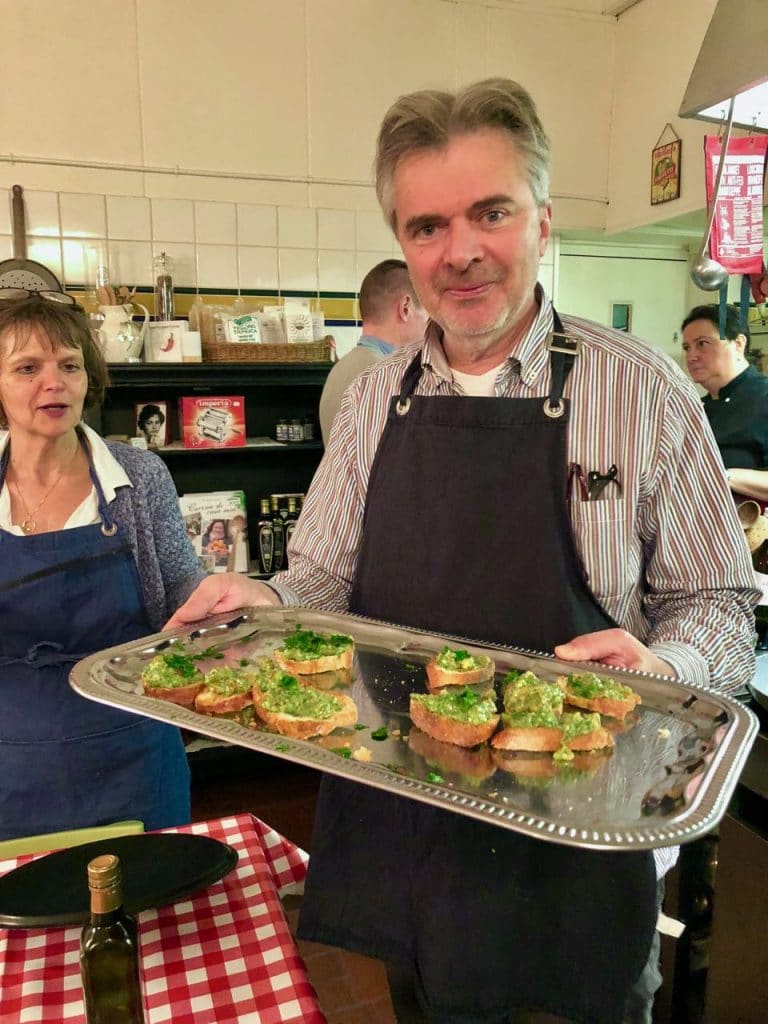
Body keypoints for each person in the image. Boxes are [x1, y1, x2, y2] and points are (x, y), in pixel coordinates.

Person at [167, 79, 758, 1023]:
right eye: (429, 225)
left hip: (583, 827)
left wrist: (664, 665)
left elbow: (722, 604)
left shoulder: (643, 390)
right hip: (412, 829)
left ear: (543, 218)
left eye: (492, 212)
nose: (463, 251)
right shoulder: (372, 401)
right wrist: (258, 595)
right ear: (404, 244)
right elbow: (320, 579)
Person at [0, 293, 207, 840]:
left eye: (70, 365)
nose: (55, 381)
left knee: (150, 913)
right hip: (12, 768)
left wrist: (213, 601)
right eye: (27, 368)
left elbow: (181, 583)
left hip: (133, 752)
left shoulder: (139, 477)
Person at [319, 259, 428, 444]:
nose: (428, 328)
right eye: (427, 315)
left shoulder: (340, 370)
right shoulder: (384, 379)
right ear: (405, 308)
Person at [682, 304, 768, 505]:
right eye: (687, 348)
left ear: (738, 343)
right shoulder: (695, 407)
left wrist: (723, 476)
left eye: (702, 343)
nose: (691, 356)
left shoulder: (764, 398)